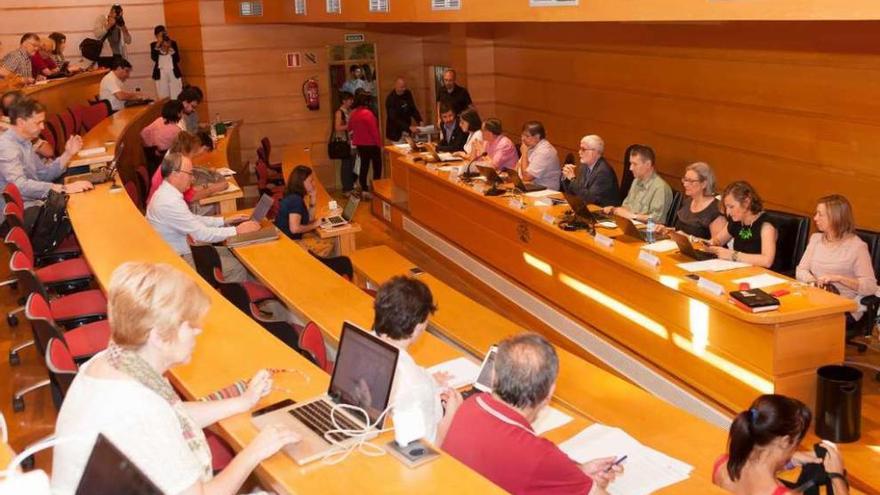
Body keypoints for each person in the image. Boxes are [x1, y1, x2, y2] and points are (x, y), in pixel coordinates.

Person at [51, 261, 301, 495]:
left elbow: (173, 415)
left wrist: (242, 402)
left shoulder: (111, 361)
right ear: (159, 336)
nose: (198, 330)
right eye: (189, 325)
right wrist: (255, 451)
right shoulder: (138, 407)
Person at [443, 333, 622, 494]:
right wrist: (583, 482)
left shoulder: (469, 405)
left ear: (494, 376)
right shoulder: (541, 457)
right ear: (550, 393)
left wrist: (577, 473)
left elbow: (513, 470)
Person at [373, 276, 461, 445]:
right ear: (418, 327)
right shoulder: (416, 384)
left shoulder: (367, 340)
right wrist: (451, 415)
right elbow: (428, 448)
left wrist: (430, 379)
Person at [146, 153, 260, 282]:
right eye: (190, 173)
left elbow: (191, 219)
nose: (193, 179)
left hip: (186, 250)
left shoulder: (167, 193)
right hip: (181, 259)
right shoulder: (169, 201)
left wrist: (224, 220)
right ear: (175, 173)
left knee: (230, 253)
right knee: (236, 267)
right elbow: (201, 234)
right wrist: (237, 231)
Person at [713, 394, 849, 495]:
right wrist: (837, 476)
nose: (795, 449)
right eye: (796, 444)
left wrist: (789, 462)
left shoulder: (721, 466)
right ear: (784, 442)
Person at [0, 98, 93, 223]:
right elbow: (19, 186)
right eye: (38, 123)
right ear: (21, 122)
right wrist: (63, 188)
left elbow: (43, 174)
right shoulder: (7, 147)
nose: (43, 127)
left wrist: (68, 154)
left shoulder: (25, 141)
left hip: (35, 203)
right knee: (81, 211)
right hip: (21, 214)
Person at [796, 194, 877, 324]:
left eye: (820, 214)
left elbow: (870, 287)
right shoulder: (816, 239)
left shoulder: (857, 247)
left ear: (836, 217)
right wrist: (815, 282)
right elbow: (801, 270)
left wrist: (839, 278)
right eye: (816, 213)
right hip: (815, 300)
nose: (815, 218)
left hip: (843, 307)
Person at [275, 165, 353, 277]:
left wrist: (313, 197)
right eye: (311, 181)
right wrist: (315, 225)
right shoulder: (295, 200)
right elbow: (295, 228)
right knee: (332, 240)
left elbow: (309, 219)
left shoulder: (294, 196)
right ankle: (328, 272)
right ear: (301, 182)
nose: (313, 184)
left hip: (288, 239)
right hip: (292, 243)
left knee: (326, 237)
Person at [707, 181, 777, 268]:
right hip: (741, 271)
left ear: (746, 202)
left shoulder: (766, 226)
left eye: (731, 207)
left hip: (764, 276)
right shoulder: (736, 221)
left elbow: (767, 261)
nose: (728, 212)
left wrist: (733, 255)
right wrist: (708, 244)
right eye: (727, 207)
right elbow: (718, 241)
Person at [146, 131, 224, 206]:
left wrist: (206, 186)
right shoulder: (177, 168)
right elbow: (191, 197)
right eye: (193, 153)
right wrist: (216, 188)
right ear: (187, 151)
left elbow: (189, 191)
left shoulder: (173, 160)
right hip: (164, 210)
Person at [603, 144, 671, 224]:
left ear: (648, 164)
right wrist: (615, 210)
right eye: (630, 163)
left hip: (645, 232)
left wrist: (633, 216)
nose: (630, 168)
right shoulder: (636, 181)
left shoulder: (660, 188)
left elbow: (657, 220)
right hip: (629, 224)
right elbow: (626, 206)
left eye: (635, 164)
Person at [662, 162, 725, 240]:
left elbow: (716, 245)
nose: (685, 184)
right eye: (685, 180)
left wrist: (689, 238)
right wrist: (667, 230)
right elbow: (681, 230)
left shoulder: (716, 209)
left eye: (691, 181)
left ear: (704, 184)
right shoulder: (688, 201)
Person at [562, 135, 618, 207]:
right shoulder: (584, 166)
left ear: (595, 152)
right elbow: (576, 193)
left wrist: (572, 179)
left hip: (604, 212)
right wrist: (567, 178)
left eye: (583, 149)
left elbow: (591, 199)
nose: (579, 152)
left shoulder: (603, 172)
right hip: (588, 208)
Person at [348, 92, 382, 198]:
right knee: (377, 166)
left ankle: (364, 188)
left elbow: (350, 128)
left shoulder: (354, 114)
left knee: (364, 166)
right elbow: (374, 131)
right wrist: (379, 145)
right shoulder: (368, 114)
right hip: (371, 144)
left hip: (360, 144)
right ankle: (376, 187)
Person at [515, 121, 560, 191]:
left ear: (537, 137)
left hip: (545, 193)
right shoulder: (531, 146)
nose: (522, 139)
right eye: (522, 135)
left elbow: (527, 177)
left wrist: (524, 153)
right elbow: (517, 167)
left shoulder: (545, 151)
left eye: (527, 136)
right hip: (530, 187)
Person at [385, 77, 423, 142]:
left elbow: (413, 109)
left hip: (406, 130)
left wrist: (419, 120)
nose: (404, 89)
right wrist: (409, 127)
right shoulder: (390, 99)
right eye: (401, 87)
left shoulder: (407, 93)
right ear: (396, 86)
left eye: (405, 87)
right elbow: (394, 119)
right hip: (395, 133)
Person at [151, 25, 183, 100]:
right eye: (160, 35)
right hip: (160, 72)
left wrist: (170, 47)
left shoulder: (173, 43)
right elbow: (154, 58)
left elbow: (177, 59)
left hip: (173, 71)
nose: (163, 36)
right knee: (163, 97)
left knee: (176, 94)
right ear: (156, 36)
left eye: (164, 34)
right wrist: (158, 44)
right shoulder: (154, 45)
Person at [334, 91, 356, 196]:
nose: (352, 101)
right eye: (349, 100)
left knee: (352, 165)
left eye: (352, 99)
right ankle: (346, 189)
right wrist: (350, 125)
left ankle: (351, 187)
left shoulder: (350, 111)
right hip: (345, 142)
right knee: (346, 165)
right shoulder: (340, 112)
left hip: (352, 141)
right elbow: (337, 127)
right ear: (344, 101)